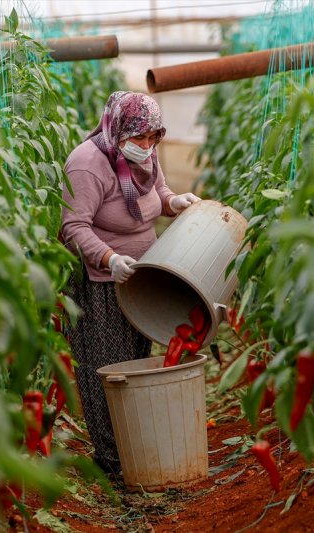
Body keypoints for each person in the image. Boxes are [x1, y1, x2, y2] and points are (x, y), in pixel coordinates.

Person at [61, 91, 200, 474]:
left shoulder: (145, 156)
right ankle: (113, 462)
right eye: (139, 139)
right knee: (107, 370)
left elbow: (158, 194)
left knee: (138, 361)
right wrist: (109, 258)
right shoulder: (87, 164)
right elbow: (72, 227)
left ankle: (137, 450)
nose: (147, 147)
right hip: (101, 283)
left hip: (143, 276)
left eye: (153, 138)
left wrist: (174, 204)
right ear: (117, 128)